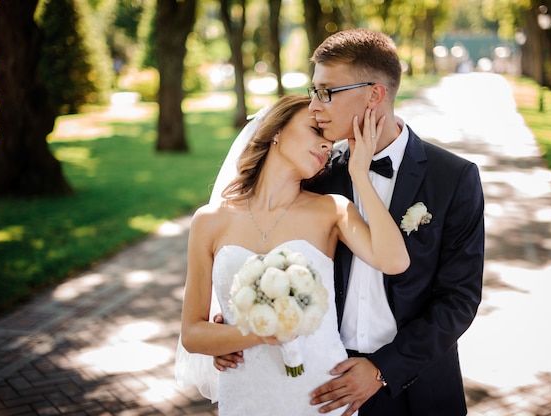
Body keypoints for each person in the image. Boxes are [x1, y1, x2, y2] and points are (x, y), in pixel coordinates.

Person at [216, 29, 485, 415]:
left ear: (374, 94)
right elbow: (267, 243)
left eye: (327, 91)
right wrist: (241, 312)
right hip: (320, 378)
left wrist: (382, 370)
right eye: (312, 91)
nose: (314, 106)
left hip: (416, 387)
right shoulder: (315, 173)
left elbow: (459, 300)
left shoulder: (454, 178)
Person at [179, 94, 410, 416]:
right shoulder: (209, 221)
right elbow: (192, 334)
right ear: (276, 130)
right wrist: (256, 332)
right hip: (245, 394)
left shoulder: (332, 210)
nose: (328, 147)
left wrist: (360, 173)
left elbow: (394, 261)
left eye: (330, 142)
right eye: (316, 132)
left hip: (321, 393)